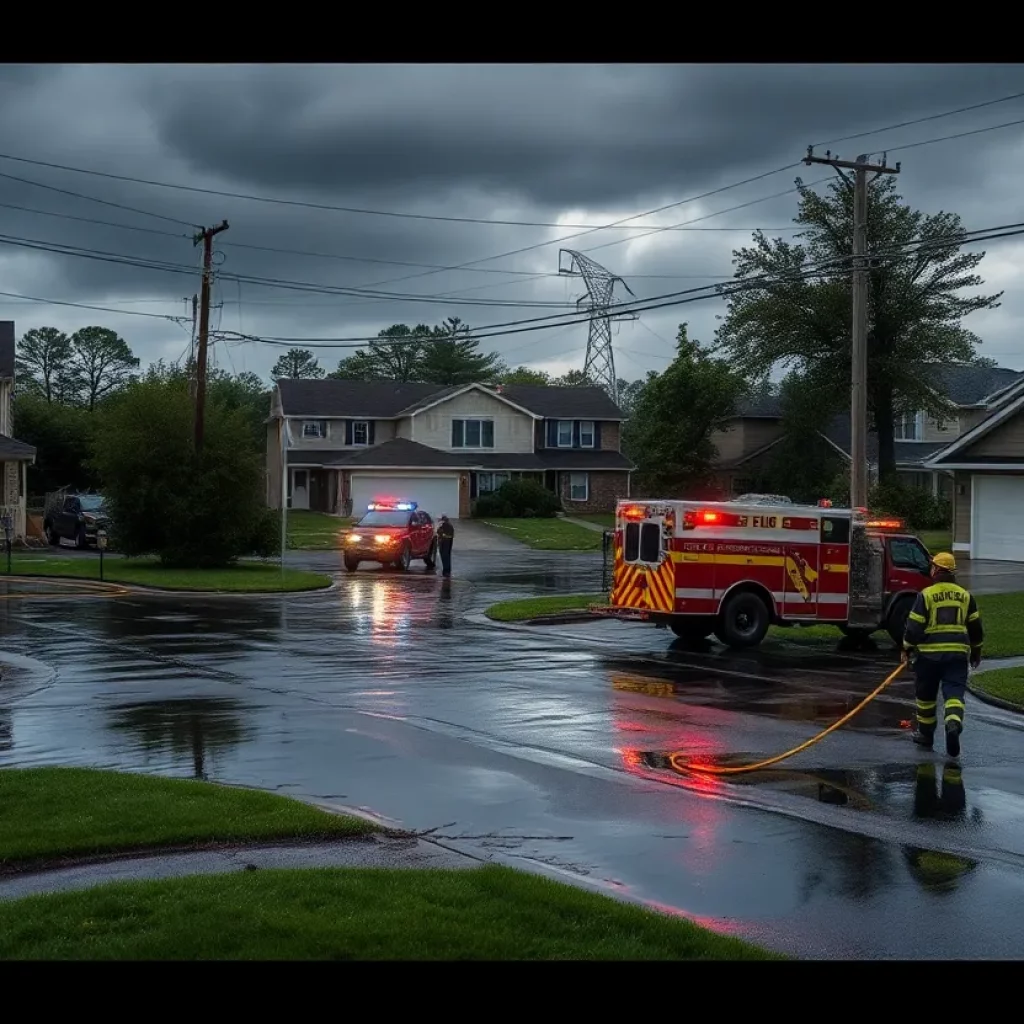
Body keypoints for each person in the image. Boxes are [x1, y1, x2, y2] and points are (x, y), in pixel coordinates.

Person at [902, 551, 983, 758]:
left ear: (937, 570)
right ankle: (953, 723)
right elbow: (975, 627)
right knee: (954, 694)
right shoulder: (965, 596)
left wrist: (907, 648)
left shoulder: (926, 595)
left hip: (928, 657)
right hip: (956, 656)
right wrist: (976, 651)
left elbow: (914, 627)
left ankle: (926, 735)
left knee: (926, 697)